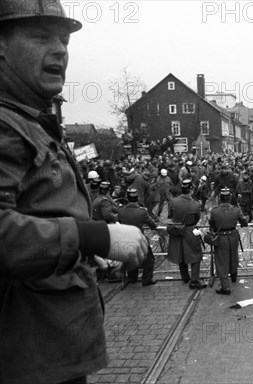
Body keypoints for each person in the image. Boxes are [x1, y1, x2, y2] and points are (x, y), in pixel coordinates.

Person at [0, 2, 148, 383]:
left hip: (48, 346)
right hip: (26, 357)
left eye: (64, 39)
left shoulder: (29, 119)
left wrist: (85, 249)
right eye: (40, 36)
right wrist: (94, 236)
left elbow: (39, 210)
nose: (60, 50)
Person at [167, 179, 206, 289]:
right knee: (195, 255)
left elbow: (170, 216)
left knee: (180, 255)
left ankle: (185, 277)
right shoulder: (195, 204)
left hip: (176, 230)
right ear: (191, 189)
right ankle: (194, 280)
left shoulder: (173, 202)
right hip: (190, 230)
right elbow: (196, 218)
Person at [208, 187, 248, 295]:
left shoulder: (215, 211)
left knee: (221, 261)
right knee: (233, 256)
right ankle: (234, 275)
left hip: (221, 237)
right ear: (230, 198)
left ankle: (225, 287)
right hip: (233, 236)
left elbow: (212, 225)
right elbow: (244, 223)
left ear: (220, 198)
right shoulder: (236, 210)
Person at [118, 188, 159, 286]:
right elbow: (152, 225)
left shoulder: (121, 211)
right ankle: (147, 279)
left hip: (126, 239)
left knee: (131, 258)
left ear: (127, 198)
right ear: (137, 199)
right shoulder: (142, 212)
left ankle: (132, 278)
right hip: (139, 240)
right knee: (149, 260)